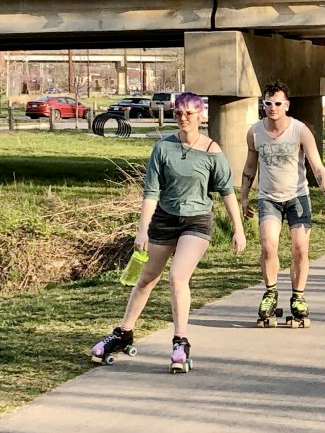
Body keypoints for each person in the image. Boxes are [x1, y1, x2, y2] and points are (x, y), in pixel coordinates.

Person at [91, 92, 247, 373]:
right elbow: (151, 192)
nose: (183, 118)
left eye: (189, 113)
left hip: (196, 222)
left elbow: (226, 192)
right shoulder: (163, 148)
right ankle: (124, 331)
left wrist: (239, 229)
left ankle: (180, 341)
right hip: (164, 219)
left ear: (200, 116)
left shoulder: (212, 151)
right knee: (147, 279)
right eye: (178, 113)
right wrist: (142, 231)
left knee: (177, 277)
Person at [240, 81, 325, 327]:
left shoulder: (300, 130)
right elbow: (250, 166)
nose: (272, 108)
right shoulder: (254, 132)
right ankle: (270, 293)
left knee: (300, 248)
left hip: (297, 197)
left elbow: (317, 167)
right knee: (269, 246)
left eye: (278, 103)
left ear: (287, 105)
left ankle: (298, 297)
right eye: (268, 103)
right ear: (263, 105)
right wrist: (244, 195)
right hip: (268, 198)